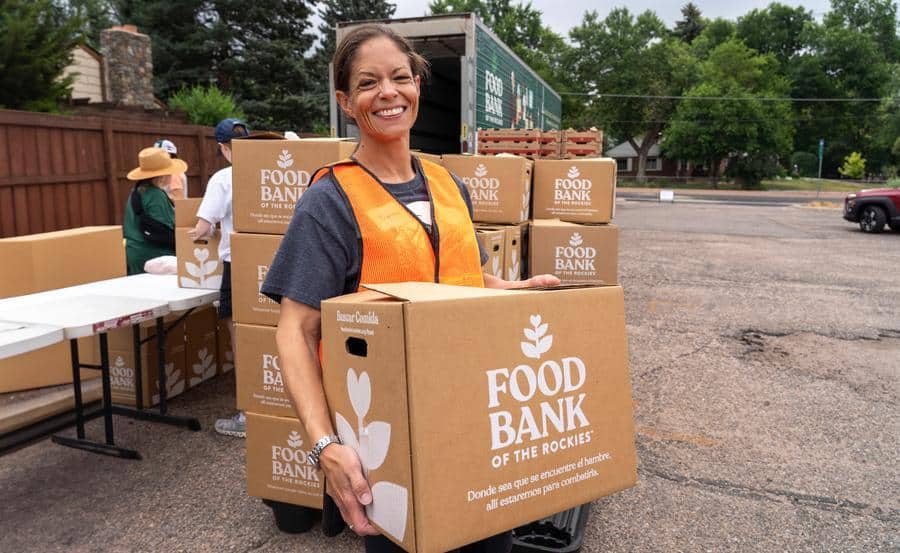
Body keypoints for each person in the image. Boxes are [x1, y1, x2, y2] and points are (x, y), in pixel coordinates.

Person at [260, 25, 559, 552]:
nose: (389, 92)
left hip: (475, 416)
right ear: (346, 102)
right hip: (393, 441)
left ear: (418, 84)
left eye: (401, 77)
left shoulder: (449, 184)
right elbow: (295, 331)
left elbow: (462, 277)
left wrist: (514, 289)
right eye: (369, 83)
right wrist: (325, 444)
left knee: (493, 544)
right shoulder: (329, 202)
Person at [188, 118, 250, 437]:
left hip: (237, 266)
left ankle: (247, 414)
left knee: (240, 335)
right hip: (269, 263)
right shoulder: (265, 174)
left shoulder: (223, 178)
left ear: (223, 148)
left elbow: (202, 227)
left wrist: (192, 237)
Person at [123, 147, 186, 275]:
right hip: (154, 255)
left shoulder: (137, 191)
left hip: (134, 252)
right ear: (162, 176)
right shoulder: (156, 195)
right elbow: (165, 229)